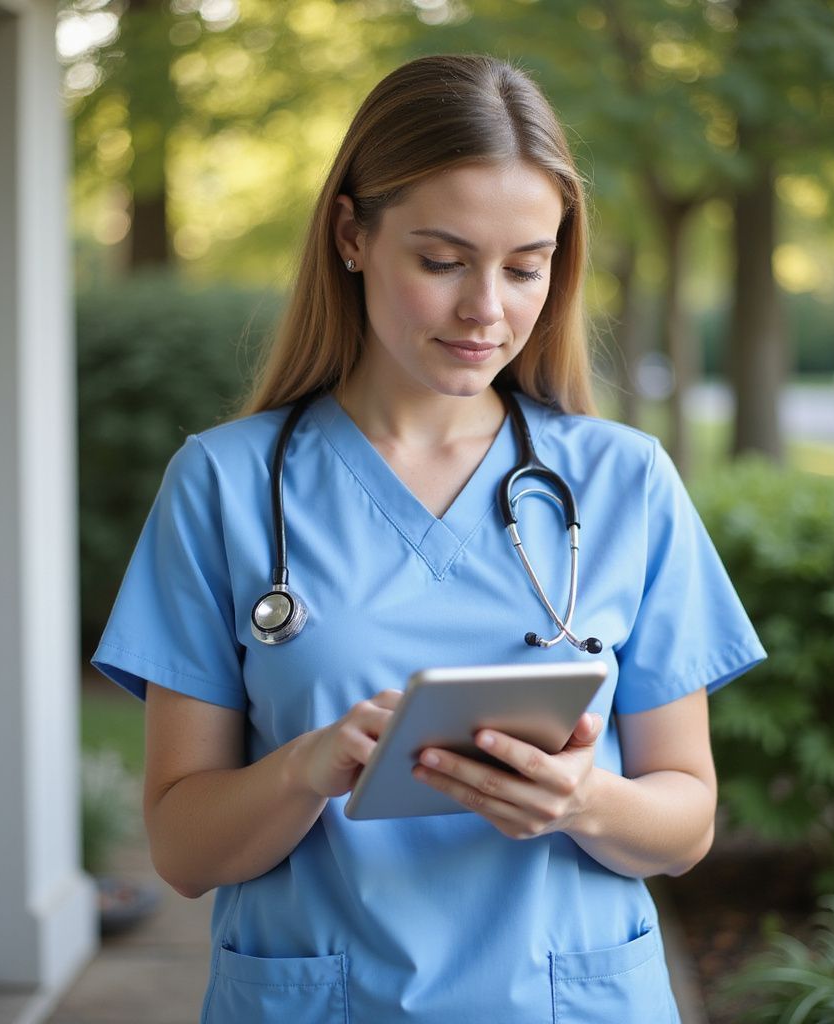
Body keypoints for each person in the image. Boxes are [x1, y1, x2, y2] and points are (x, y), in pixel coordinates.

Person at [92, 53, 766, 1023]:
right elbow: (183, 851)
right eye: (443, 260)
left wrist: (583, 800)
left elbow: (686, 820)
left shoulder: (624, 483)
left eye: (524, 267)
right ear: (351, 235)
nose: (485, 309)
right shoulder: (227, 485)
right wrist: (305, 767)